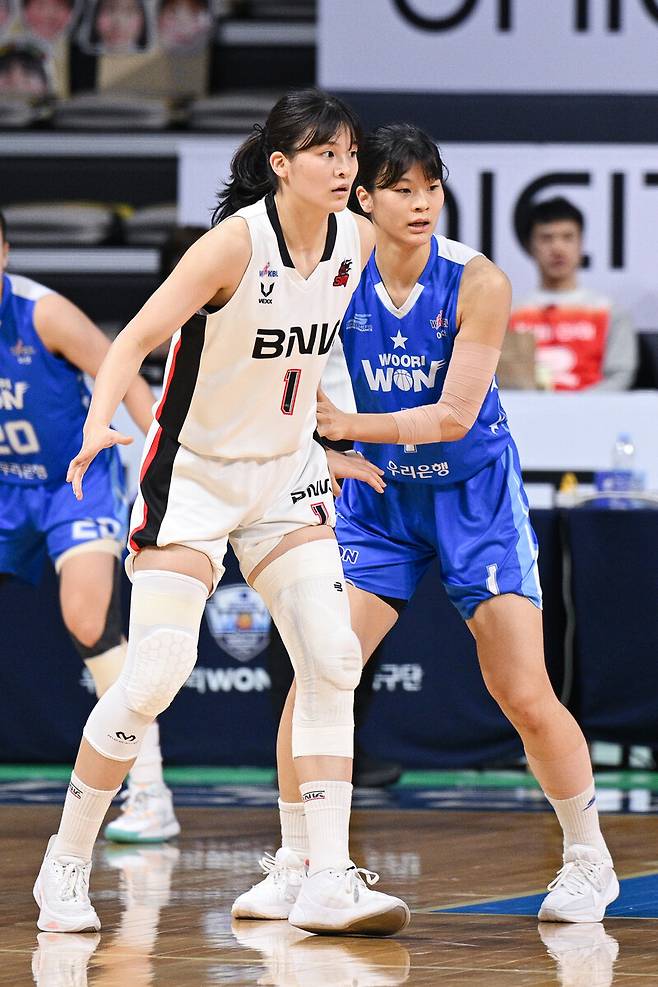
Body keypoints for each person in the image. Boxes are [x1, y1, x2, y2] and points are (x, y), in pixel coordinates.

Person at [33, 88, 410, 939]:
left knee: (333, 656)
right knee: (157, 670)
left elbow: (308, 358)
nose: (344, 167)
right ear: (281, 165)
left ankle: (315, 874)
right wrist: (98, 423)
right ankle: (65, 861)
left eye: (350, 153)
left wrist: (328, 440)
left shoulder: (354, 240)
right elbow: (133, 339)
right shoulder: (233, 245)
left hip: (285, 477)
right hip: (194, 476)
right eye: (326, 153)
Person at [233, 124, 619, 926]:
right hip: (380, 500)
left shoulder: (478, 281)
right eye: (401, 188)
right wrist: (322, 447)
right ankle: (298, 861)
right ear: (363, 198)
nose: (421, 203)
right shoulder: (332, 273)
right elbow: (274, 377)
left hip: (472, 497)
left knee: (520, 689)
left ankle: (590, 858)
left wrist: (347, 427)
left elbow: (453, 415)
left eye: (431, 187)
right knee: (321, 672)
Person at [0, 210, 180, 845]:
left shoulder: (42, 313)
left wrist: (164, 451)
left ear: (6, 251)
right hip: (4, 487)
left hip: (70, 484)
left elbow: (120, 365)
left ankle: (150, 792)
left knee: (87, 619)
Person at [508, 196, 637, 391]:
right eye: (546, 238)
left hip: (594, 409)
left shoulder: (610, 311)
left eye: (568, 237)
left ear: (581, 244)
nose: (557, 248)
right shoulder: (510, 313)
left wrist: (580, 406)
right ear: (530, 246)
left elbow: (620, 375)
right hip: (525, 409)